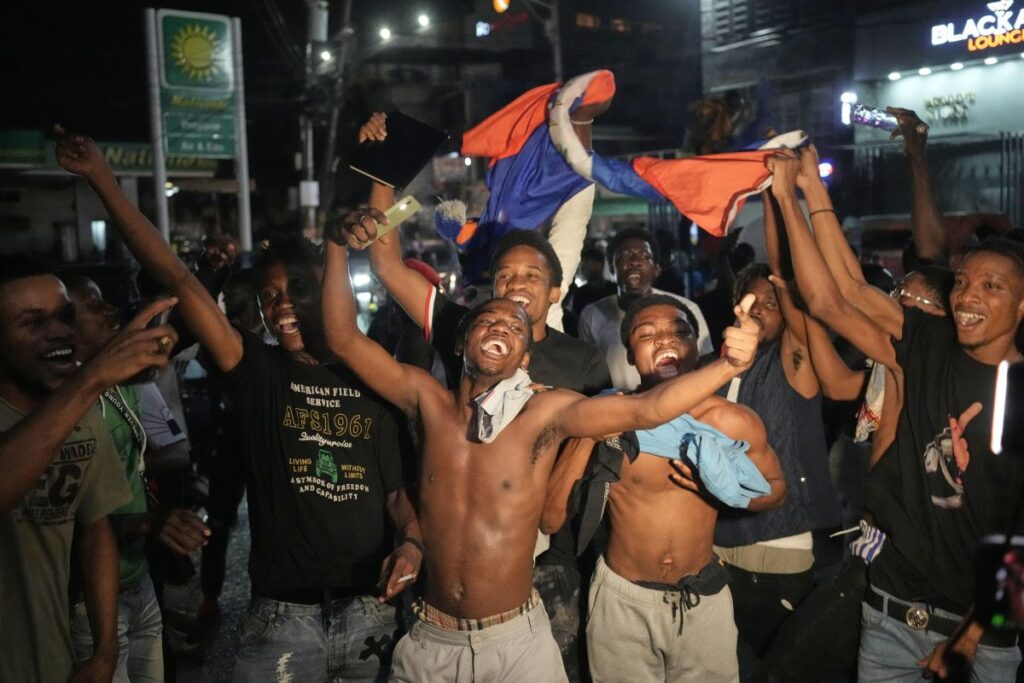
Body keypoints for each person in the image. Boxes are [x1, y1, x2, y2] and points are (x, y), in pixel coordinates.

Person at [55, 129, 422, 683]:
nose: (282, 306)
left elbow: (396, 494)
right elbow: (178, 277)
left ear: (328, 285)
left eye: (297, 288)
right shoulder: (258, 370)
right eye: (269, 297)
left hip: (373, 611)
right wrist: (104, 180)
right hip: (281, 620)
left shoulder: (375, 378)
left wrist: (414, 543)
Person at [321, 221, 762, 682]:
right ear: (460, 342)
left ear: (524, 358)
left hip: (515, 642)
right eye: (487, 320)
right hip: (431, 637)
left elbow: (645, 410)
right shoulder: (424, 399)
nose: (501, 327)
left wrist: (728, 365)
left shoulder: (544, 412)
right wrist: (335, 248)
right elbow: (343, 339)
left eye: (514, 326)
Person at [337, 112, 612, 681]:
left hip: (545, 563)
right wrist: (383, 171)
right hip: (450, 573)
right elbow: (385, 262)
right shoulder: (465, 328)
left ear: (552, 291)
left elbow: (592, 447)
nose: (516, 287)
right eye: (505, 278)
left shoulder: (581, 358)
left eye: (531, 278)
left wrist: (578, 127)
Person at [769, 150, 1024, 681]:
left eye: (991, 287)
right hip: (889, 615)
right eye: (962, 282)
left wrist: (968, 640)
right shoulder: (928, 345)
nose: (967, 296)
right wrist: (799, 193)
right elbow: (836, 298)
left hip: (981, 639)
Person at [543, 294, 786, 682]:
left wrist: (723, 493)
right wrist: (587, 436)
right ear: (628, 354)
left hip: (703, 597)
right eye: (646, 333)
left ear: (697, 345)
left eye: (680, 331)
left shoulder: (731, 421)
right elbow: (551, 518)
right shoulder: (608, 415)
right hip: (624, 601)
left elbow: (777, 491)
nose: (664, 340)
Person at [0, 259, 178, 683]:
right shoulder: (79, 398)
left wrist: (104, 652)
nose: (61, 332)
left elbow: (95, 527)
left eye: (64, 317)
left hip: (55, 659)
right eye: (33, 322)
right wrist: (90, 380)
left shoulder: (81, 415)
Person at [62, 273, 211, 682]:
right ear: (64, 326)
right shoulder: (60, 407)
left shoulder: (121, 385)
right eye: (94, 304)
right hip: (90, 599)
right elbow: (73, 518)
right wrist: (149, 521)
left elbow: (183, 330)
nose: (110, 309)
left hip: (137, 577)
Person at [579, 227, 711, 391]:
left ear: (657, 269)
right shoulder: (591, 315)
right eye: (625, 255)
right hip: (619, 411)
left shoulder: (685, 310)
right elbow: (588, 375)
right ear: (612, 269)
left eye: (644, 256)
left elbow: (704, 365)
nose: (634, 261)